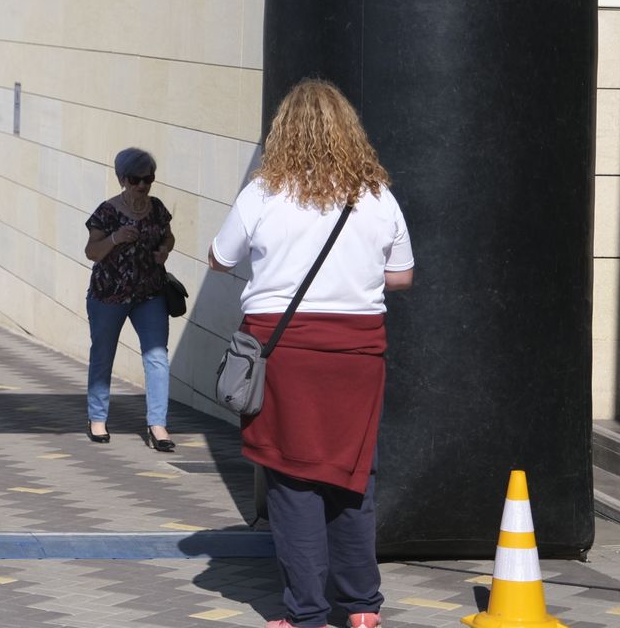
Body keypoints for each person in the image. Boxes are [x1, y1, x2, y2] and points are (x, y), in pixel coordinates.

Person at [207, 79, 414, 628]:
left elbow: (220, 258)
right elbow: (402, 275)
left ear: (284, 132)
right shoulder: (377, 196)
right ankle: (362, 608)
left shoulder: (262, 194)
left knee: (292, 477)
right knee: (352, 473)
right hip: (358, 353)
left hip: (284, 350)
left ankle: (307, 613)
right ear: (351, 132)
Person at [82, 147, 177, 451]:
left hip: (149, 292)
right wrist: (115, 238)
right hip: (109, 294)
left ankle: (158, 425)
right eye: (136, 179)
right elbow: (91, 252)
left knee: (157, 356)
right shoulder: (107, 212)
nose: (142, 185)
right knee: (103, 354)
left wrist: (164, 250)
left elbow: (168, 236)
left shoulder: (157, 208)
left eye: (148, 178)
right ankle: (97, 419)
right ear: (122, 179)